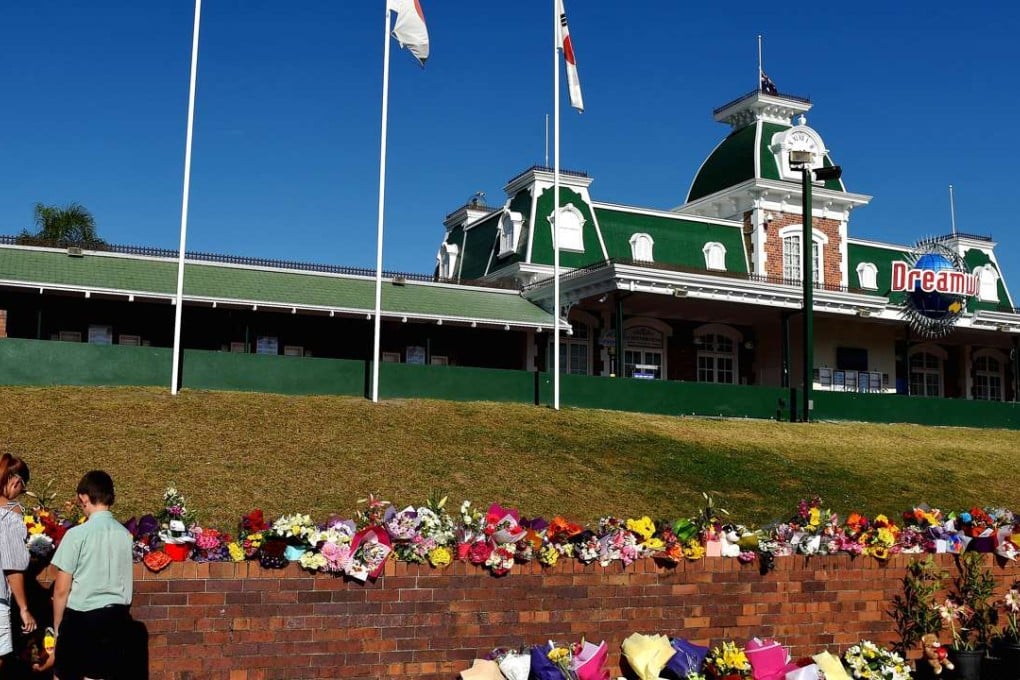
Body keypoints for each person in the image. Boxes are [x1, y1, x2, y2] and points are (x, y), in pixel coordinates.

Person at [48, 470, 133, 680]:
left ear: (85, 498)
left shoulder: (77, 535)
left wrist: (58, 629)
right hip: (115, 617)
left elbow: (61, 589)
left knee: (63, 675)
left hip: (81, 616)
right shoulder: (125, 535)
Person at [0, 453, 38, 672]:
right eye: (22, 489)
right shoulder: (10, 514)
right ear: (15, 482)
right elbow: (12, 565)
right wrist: (24, 608)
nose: (20, 495)